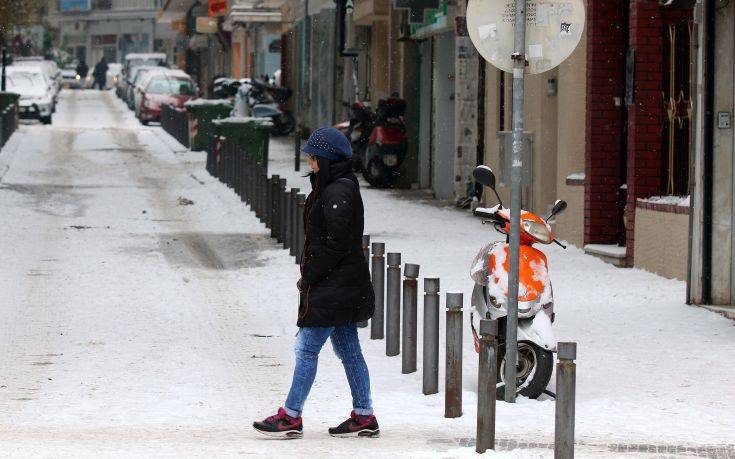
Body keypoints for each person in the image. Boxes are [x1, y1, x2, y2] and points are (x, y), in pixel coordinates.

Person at [253, 127, 378, 439]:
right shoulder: (334, 186)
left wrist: (311, 275)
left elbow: (337, 244)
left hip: (333, 286)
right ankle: (364, 414)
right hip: (340, 284)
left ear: (326, 158)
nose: (309, 162)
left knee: (306, 348)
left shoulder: (338, 191)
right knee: (349, 351)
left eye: (313, 158)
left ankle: (291, 415)